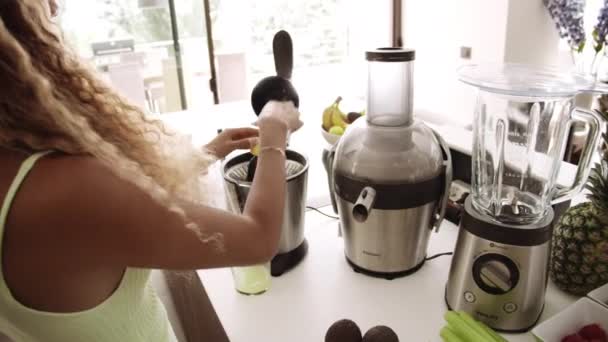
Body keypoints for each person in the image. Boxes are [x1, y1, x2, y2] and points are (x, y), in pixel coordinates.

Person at [0, 1, 302, 341]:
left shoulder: (21, 168)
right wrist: (275, 130)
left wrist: (206, 153)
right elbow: (258, 239)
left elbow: (123, 207)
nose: (54, 7)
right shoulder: (72, 190)